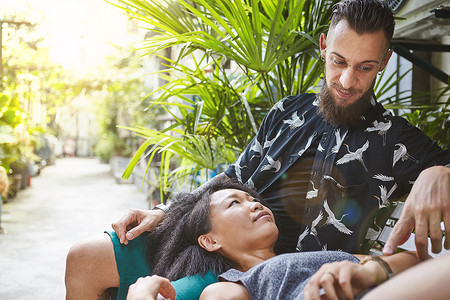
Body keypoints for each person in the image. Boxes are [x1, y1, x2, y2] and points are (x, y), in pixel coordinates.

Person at [65, 0, 450, 298]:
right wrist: (165, 210)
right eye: (339, 61)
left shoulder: (396, 139)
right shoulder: (286, 112)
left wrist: (440, 171)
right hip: (224, 243)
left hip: (273, 276)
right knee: (83, 257)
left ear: (384, 61)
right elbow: (233, 177)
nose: (347, 80)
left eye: (365, 67)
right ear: (322, 47)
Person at [126, 179, 420, 300]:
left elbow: (414, 260)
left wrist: (365, 271)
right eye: (234, 204)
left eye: (252, 199)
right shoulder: (227, 287)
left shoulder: (324, 257)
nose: (254, 204)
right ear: (210, 241)